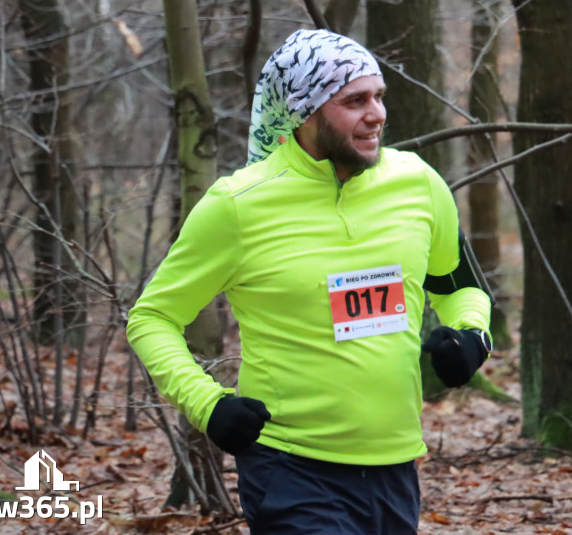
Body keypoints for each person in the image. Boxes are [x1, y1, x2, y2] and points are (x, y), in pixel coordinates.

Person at [127, 29, 493, 534]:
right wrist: (207, 404)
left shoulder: (419, 183)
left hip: (395, 465)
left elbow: (458, 288)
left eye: (379, 97)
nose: (378, 114)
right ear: (306, 111)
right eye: (355, 100)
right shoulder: (239, 205)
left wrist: (473, 336)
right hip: (290, 468)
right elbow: (152, 317)